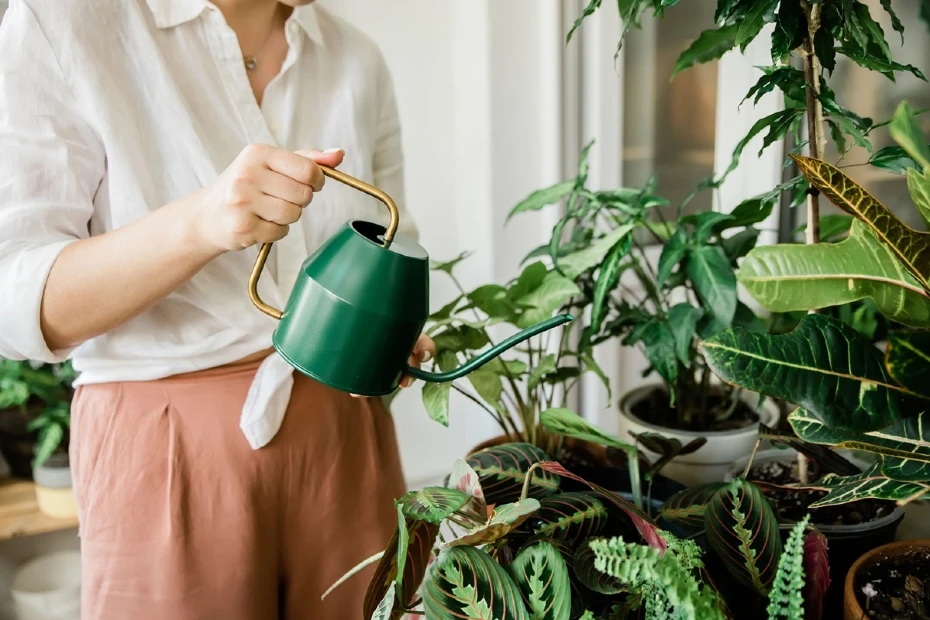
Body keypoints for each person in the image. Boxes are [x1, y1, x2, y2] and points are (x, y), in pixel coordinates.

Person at [0, 0, 434, 618]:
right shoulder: (65, 23)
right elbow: (14, 301)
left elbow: (396, 235)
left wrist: (399, 328)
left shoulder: (354, 57)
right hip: (167, 450)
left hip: (348, 433)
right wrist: (199, 223)